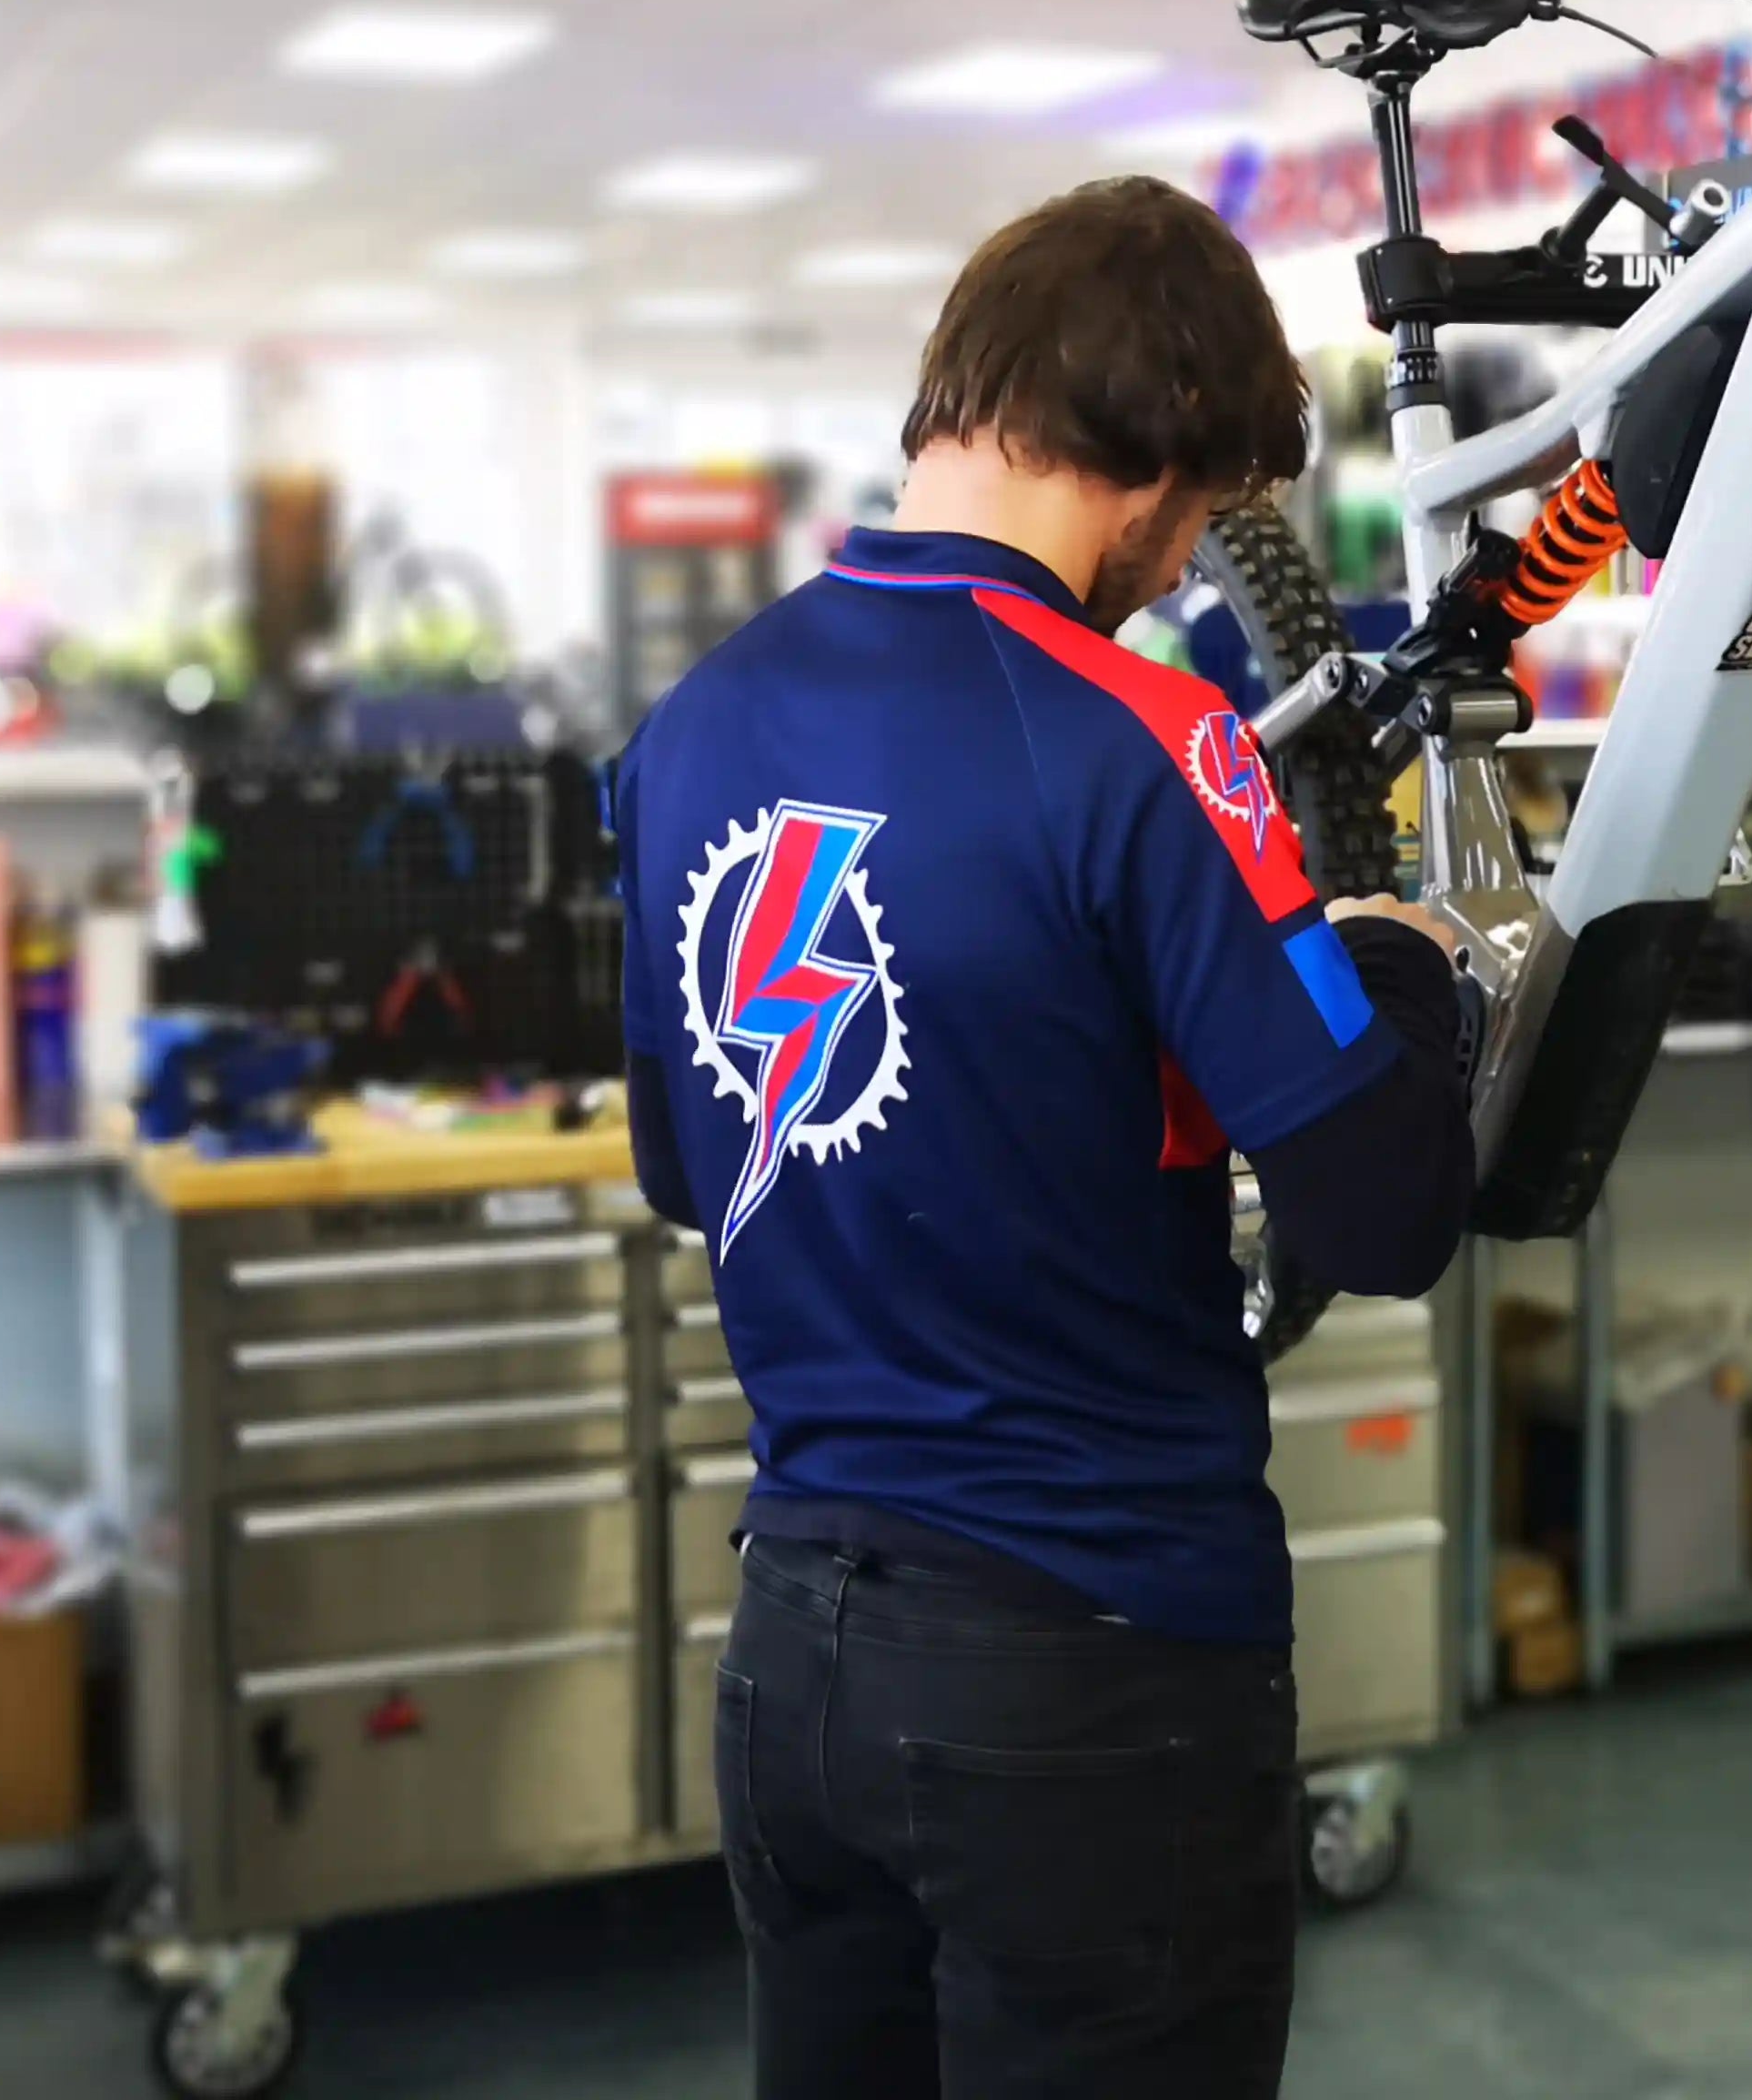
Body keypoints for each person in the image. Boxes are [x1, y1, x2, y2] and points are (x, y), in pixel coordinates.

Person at [610, 177, 1475, 2099]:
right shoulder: (1148, 739)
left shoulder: (690, 728)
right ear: (1152, 454)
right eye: (1198, 515)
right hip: (1090, 1684)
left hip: (794, 1666)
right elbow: (1385, 1203)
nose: (1181, 570)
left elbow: (692, 1172)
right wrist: (1401, 969)